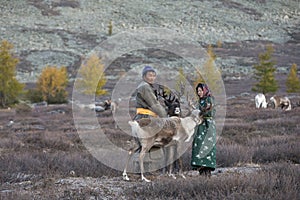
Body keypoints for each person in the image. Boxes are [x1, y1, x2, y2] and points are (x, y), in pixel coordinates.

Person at [191, 83, 216, 177]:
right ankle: (201, 170)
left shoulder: (210, 99)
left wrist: (202, 113)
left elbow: (211, 112)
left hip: (207, 126)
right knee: (199, 146)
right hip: (200, 126)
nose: (199, 93)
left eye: (200, 91)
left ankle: (207, 171)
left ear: (204, 90)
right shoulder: (200, 101)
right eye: (197, 91)